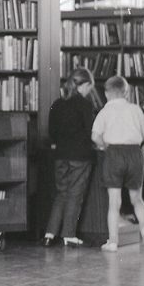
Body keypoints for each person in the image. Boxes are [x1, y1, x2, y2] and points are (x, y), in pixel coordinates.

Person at [91, 75, 144, 252]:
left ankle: (113, 241)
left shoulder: (105, 111)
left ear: (106, 94)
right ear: (126, 92)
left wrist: (104, 145)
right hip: (135, 153)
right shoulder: (136, 110)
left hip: (114, 153)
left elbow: (95, 136)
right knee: (137, 198)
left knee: (114, 202)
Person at [42, 67, 100, 247]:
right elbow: (91, 131)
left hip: (60, 155)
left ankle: (49, 233)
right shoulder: (85, 105)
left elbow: (51, 132)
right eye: (90, 87)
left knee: (61, 193)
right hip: (80, 156)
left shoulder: (57, 104)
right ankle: (68, 234)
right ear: (84, 85)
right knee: (75, 194)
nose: (90, 91)